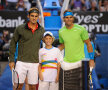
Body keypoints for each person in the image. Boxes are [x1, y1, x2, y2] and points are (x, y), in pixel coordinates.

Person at [9, 7, 45, 90]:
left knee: (33, 87)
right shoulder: (20, 28)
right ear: (28, 16)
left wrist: (62, 40)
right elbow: (13, 43)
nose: (34, 18)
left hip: (34, 63)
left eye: (36, 16)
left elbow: (48, 41)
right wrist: (11, 60)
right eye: (32, 16)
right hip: (21, 62)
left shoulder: (41, 30)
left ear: (38, 17)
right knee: (18, 86)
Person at [58, 9, 95, 89]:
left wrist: (91, 59)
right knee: (68, 87)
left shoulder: (81, 29)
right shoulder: (61, 31)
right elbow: (63, 45)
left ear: (73, 18)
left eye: (71, 17)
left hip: (79, 62)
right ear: (63, 19)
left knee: (81, 87)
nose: (69, 19)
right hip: (66, 64)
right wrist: (54, 51)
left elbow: (88, 44)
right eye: (67, 17)